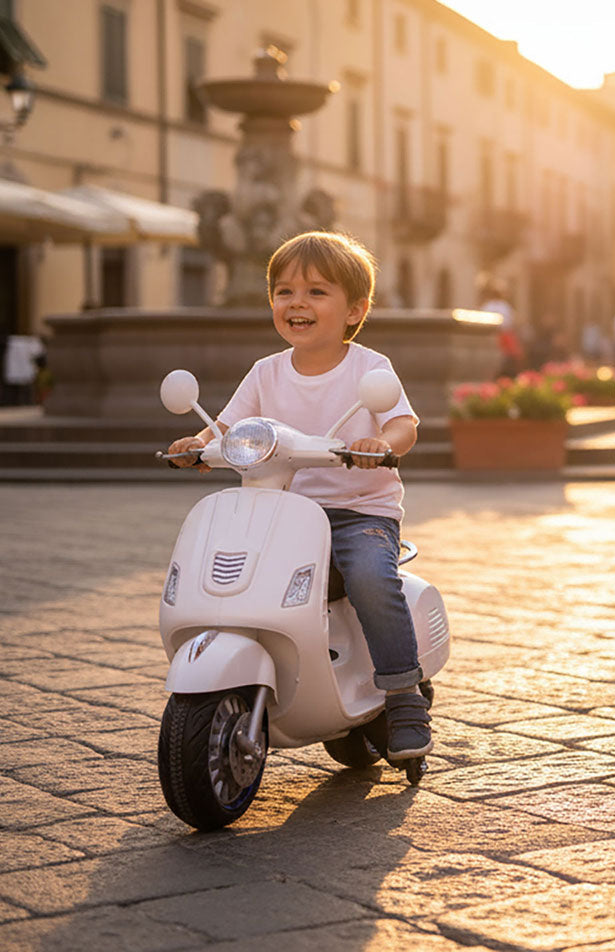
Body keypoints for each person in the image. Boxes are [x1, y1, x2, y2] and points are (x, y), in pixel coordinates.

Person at [165, 231, 432, 760]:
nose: (297, 303)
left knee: (370, 578)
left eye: (316, 292)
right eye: (284, 292)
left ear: (354, 310)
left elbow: (405, 424)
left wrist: (381, 443)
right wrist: (198, 444)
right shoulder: (266, 371)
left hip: (358, 512)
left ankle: (403, 694)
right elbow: (224, 424)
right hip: (278, 510)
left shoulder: (369, 368)